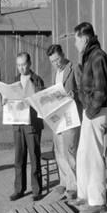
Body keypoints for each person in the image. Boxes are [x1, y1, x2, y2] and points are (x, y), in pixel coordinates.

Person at [71, 22, 107, 213]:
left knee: (95, 157)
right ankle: (84, 196)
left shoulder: (98, 56)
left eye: (76, 39)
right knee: (83, 156)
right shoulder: (89, 57)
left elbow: (102, 90)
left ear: (85, 39)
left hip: (95, 114)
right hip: (90, 112)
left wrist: (90, 111)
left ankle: (97, 202)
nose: (74, 43)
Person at [6, 52, 45, 202]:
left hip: (32, 124)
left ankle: (36, 190)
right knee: (19, 158)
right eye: (19, 65)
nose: (21, 68)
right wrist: (5, 99)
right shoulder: (15, 81)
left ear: (29, 64)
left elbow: (42, 101)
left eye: (23, 64)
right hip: (18, 124)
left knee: (34, 157)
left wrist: (33, 99)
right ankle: (19, 189)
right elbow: (9, 98)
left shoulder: (37, 80)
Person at [46, 44, 82, 201]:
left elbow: (85, 89)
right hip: (57, 117)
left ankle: (74, 186)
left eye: (57, 60)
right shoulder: (55, 72)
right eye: (52, 62)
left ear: (63, 54)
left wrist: (76, 94)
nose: (56, 64)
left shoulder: (74, 68)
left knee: (70, 152)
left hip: (71, 117)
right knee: (59, 151)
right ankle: (64, 181)